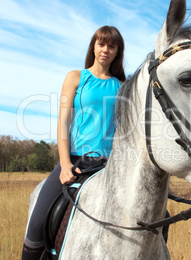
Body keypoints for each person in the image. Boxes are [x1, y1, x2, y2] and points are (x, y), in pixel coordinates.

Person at [22, 25, 125, 259]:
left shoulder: (121, 86)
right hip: (76, 158)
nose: (105, 50)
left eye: (112, 46)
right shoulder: (76, 77)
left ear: (118, 52)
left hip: (109, 164)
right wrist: (65, 164)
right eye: (101, 44)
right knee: (37, 222)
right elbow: (63, 122)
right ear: (93, 47)